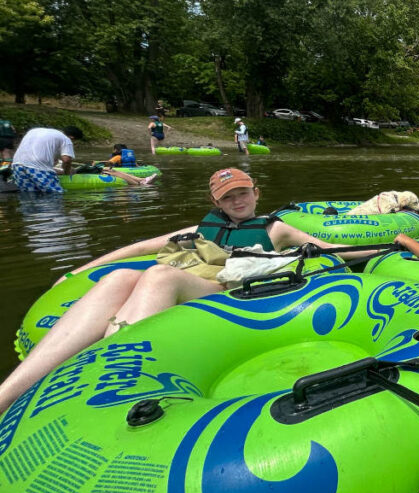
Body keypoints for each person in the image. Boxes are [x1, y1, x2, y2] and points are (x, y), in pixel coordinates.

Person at [0, 168, 378, 413]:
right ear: (216, 202)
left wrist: (391, 249)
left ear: (256, 193)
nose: (238, 201)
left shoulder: (276, 228)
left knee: (161, 277)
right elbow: (138, 247)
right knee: (118, 278)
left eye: (243, 192)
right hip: (197, 282)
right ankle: (8, 394)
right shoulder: (202, 230)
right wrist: (77, 271)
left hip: (226, 295)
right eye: (228, 197)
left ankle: (100, 368)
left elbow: (331, 248)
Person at [10, 126, 82, 193]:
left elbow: (51, 160)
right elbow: (66, 160)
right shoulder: (66, 139)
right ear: (72, 137)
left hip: (17, 165)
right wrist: (67, 173)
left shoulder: (35, 131)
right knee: (55, 194)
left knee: (30, 194)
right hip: (36, 168)